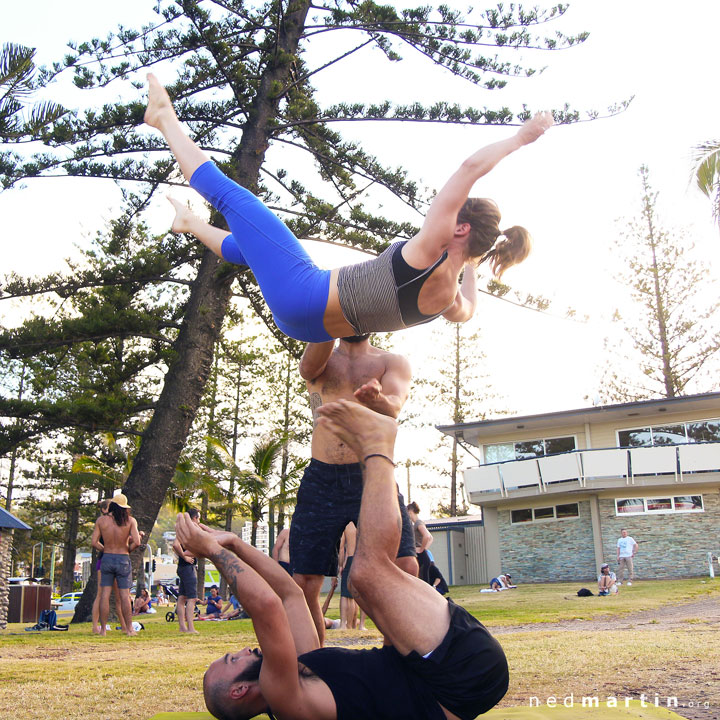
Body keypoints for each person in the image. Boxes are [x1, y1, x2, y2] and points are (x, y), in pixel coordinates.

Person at [144, 73, 553, 343]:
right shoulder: (449, 299)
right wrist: (472, 266)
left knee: (235, 199)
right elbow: (470, 310)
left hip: (304, 294)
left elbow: (470, 168)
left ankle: (164, 120)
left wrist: (520, 139)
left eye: (455, 213)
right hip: (304, 327)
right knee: (253, 246)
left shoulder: (430, 249)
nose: (446, 212)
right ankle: (191, 223)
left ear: (461, 229)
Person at [175, 399, 508, 720]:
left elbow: (288, 595)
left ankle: (373, 449)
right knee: (364, 575)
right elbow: (266, 606)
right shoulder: (286, 699)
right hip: (460, 678)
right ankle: (377, 447)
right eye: (233, 659)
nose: (244, 650)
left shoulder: (304, 667)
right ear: (239, 691)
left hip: (441, 666)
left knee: (366, 583)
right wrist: (213, 553)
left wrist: (233, 543)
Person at [290, 334, 417, 645]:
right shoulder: (320, 355)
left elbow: (394, 407)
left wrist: (377, 400)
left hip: (370, 474)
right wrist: (329, 315)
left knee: (405, 565)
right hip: (321, 478)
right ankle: (314, 663)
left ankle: (398, 657)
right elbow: (308, 369)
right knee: (304, 579)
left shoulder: (391, 362)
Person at [90, 493, 142, 637]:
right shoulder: (130, 521)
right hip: (123, 559)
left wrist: (105, 549)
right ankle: (130, 629)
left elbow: (94, 542)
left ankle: (103, 630)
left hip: (107, 558)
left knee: (105, 595)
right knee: (125, 596)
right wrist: (127, 549)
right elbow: (137, 542)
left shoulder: (101, 521)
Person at [173, 507, 201, 634]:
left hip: (182, 567)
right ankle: (190, 627)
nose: (199, 521)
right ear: (194, 518)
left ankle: (182, 627)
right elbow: (175, 544)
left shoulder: (183, 529)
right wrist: (184, 556)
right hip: (187, 567)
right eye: (198, 518)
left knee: (182, 598)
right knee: (192, 598)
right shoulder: (187, 530)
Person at [407, 502, 434, 584]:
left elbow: (427, 536)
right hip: (422, 556)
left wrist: (421, 549)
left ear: (411, 511)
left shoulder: (418, 523)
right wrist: (425, 549)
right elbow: (431, 537)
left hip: (421, 556)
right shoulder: (415, 524)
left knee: (423, 582)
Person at [338, 523, 358, 630]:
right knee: (353, 596)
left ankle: (343, 624)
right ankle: (350, 625)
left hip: (350, 558)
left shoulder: (347, 524)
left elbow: (341, 548)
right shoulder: (361, 520)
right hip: (361, 558)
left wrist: (341, 565)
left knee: (344, 595)